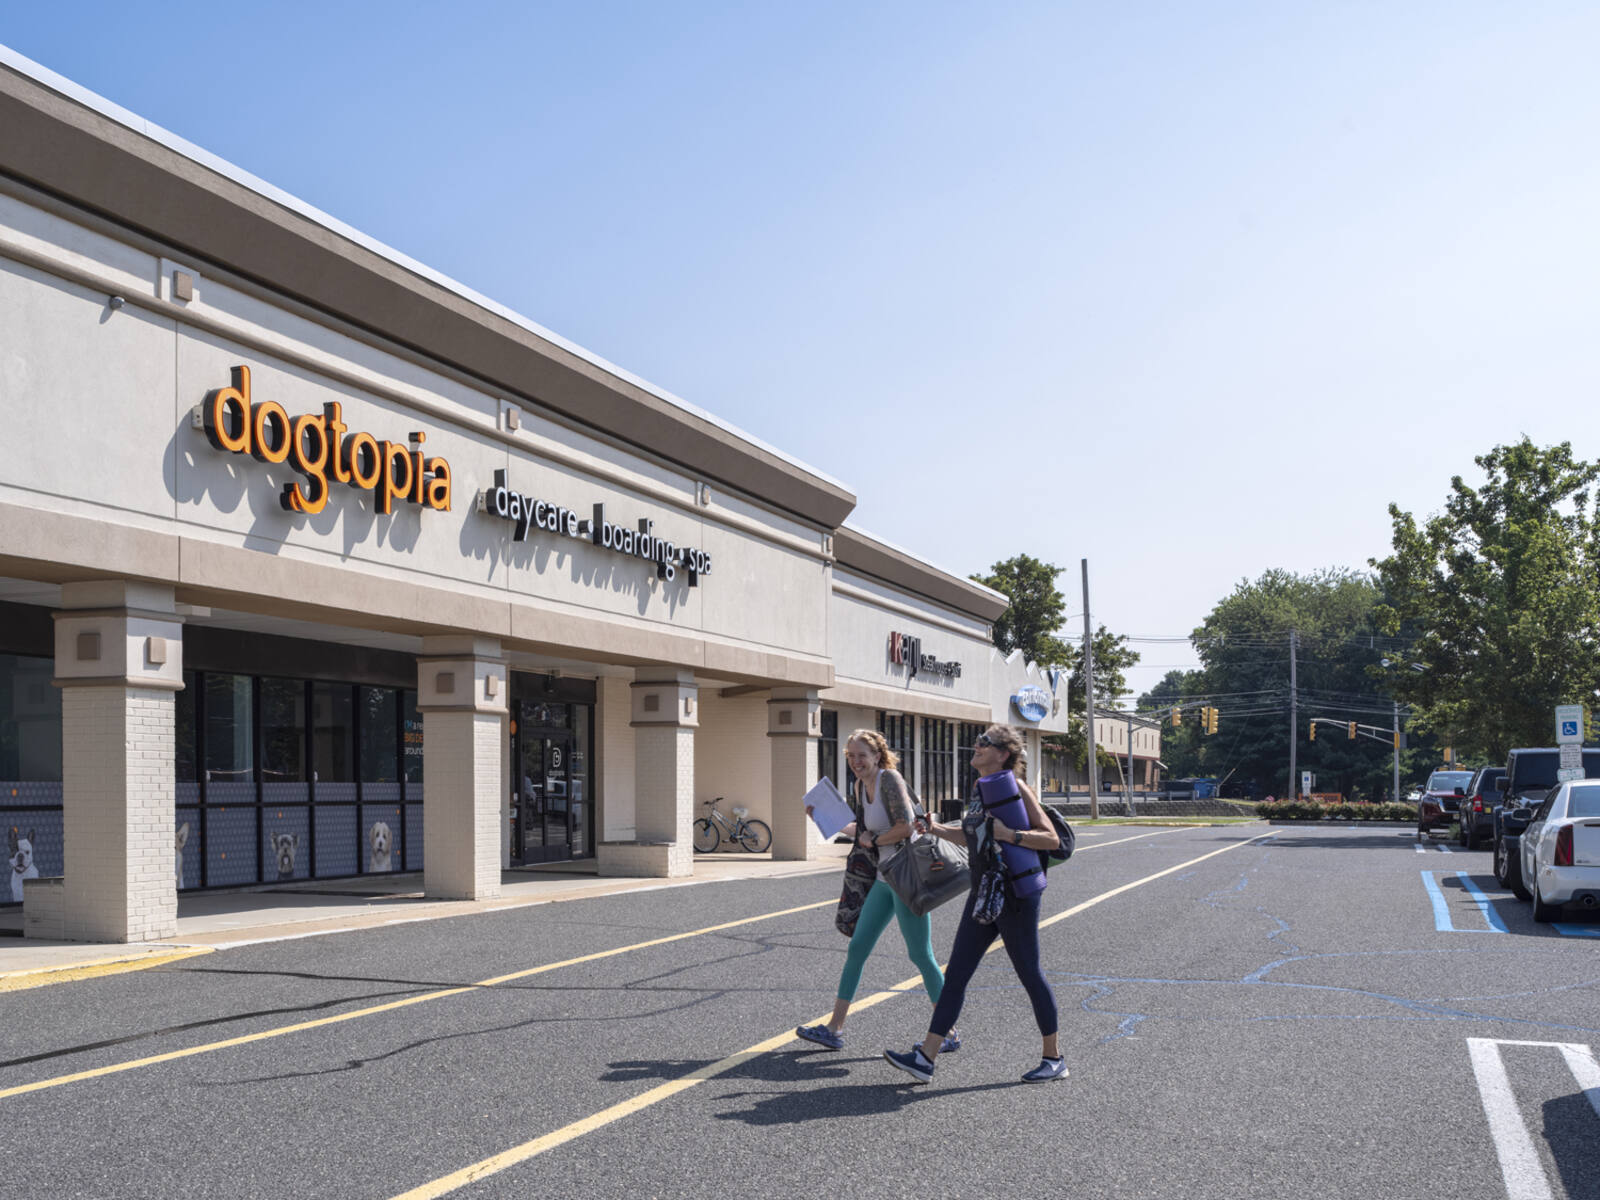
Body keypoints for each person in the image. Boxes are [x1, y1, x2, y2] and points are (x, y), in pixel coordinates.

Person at [883, 724, 1063, 1084]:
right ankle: (925, 1058)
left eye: (985, 743)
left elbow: (1051, 839)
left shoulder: (1017, 788)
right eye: (978, 741)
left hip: (1015, 893)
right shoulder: (982, 789)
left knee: (1029, 973)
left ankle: (1054, 1058)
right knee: (957, 974)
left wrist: (1011, 835)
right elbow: (972, 836)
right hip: (984, 889)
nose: (976, 746)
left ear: (1003, 754)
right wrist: (934, 829)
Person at [796, 729, 958, 1054]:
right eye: (851, 756)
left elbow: (906, 826)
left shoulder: (889, 780)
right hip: (884, 879)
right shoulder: (860, 786)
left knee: (921, 955)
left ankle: (948, 1033)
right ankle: (834, 1028)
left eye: (862, 755)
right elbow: (863, 832)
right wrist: (824, 818)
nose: (856, 762)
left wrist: (876, 841)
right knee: (857, 948)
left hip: (907, 878)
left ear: (877, 756)